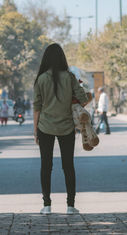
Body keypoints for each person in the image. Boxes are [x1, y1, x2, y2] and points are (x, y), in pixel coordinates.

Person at [33, 43, 88, 215]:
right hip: (66, 127)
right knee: (68, 166)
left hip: (45, 127)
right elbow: (84, 99)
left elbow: (37, 107)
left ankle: (47, 205)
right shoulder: (70, 77)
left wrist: (35, 131)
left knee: (45, 166)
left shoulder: (41, 79)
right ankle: (70, 206)